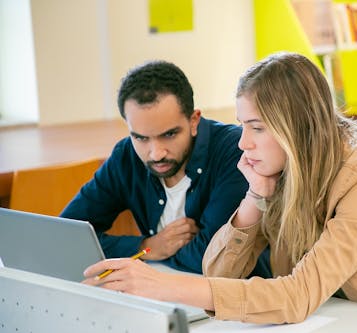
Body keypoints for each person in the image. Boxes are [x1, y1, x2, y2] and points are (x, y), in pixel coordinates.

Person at [82, 53, 357, 331]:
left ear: (298, 127)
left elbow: (296, 295)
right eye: (243, 125)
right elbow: (218, 276)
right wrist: (255, 198)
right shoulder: (283, 171)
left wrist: (160, 285)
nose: (242, 143)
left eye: (257, 128)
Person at [62, 60, 270, 277]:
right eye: (141, 137)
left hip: (236, 297)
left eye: (169, 134)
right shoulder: (126, 155)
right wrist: (147, 247)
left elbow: (213, 259)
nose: (156, 153)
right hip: (164, 293)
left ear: (193, 120)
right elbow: (68, 235)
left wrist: (155, 253)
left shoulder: (234, 150)